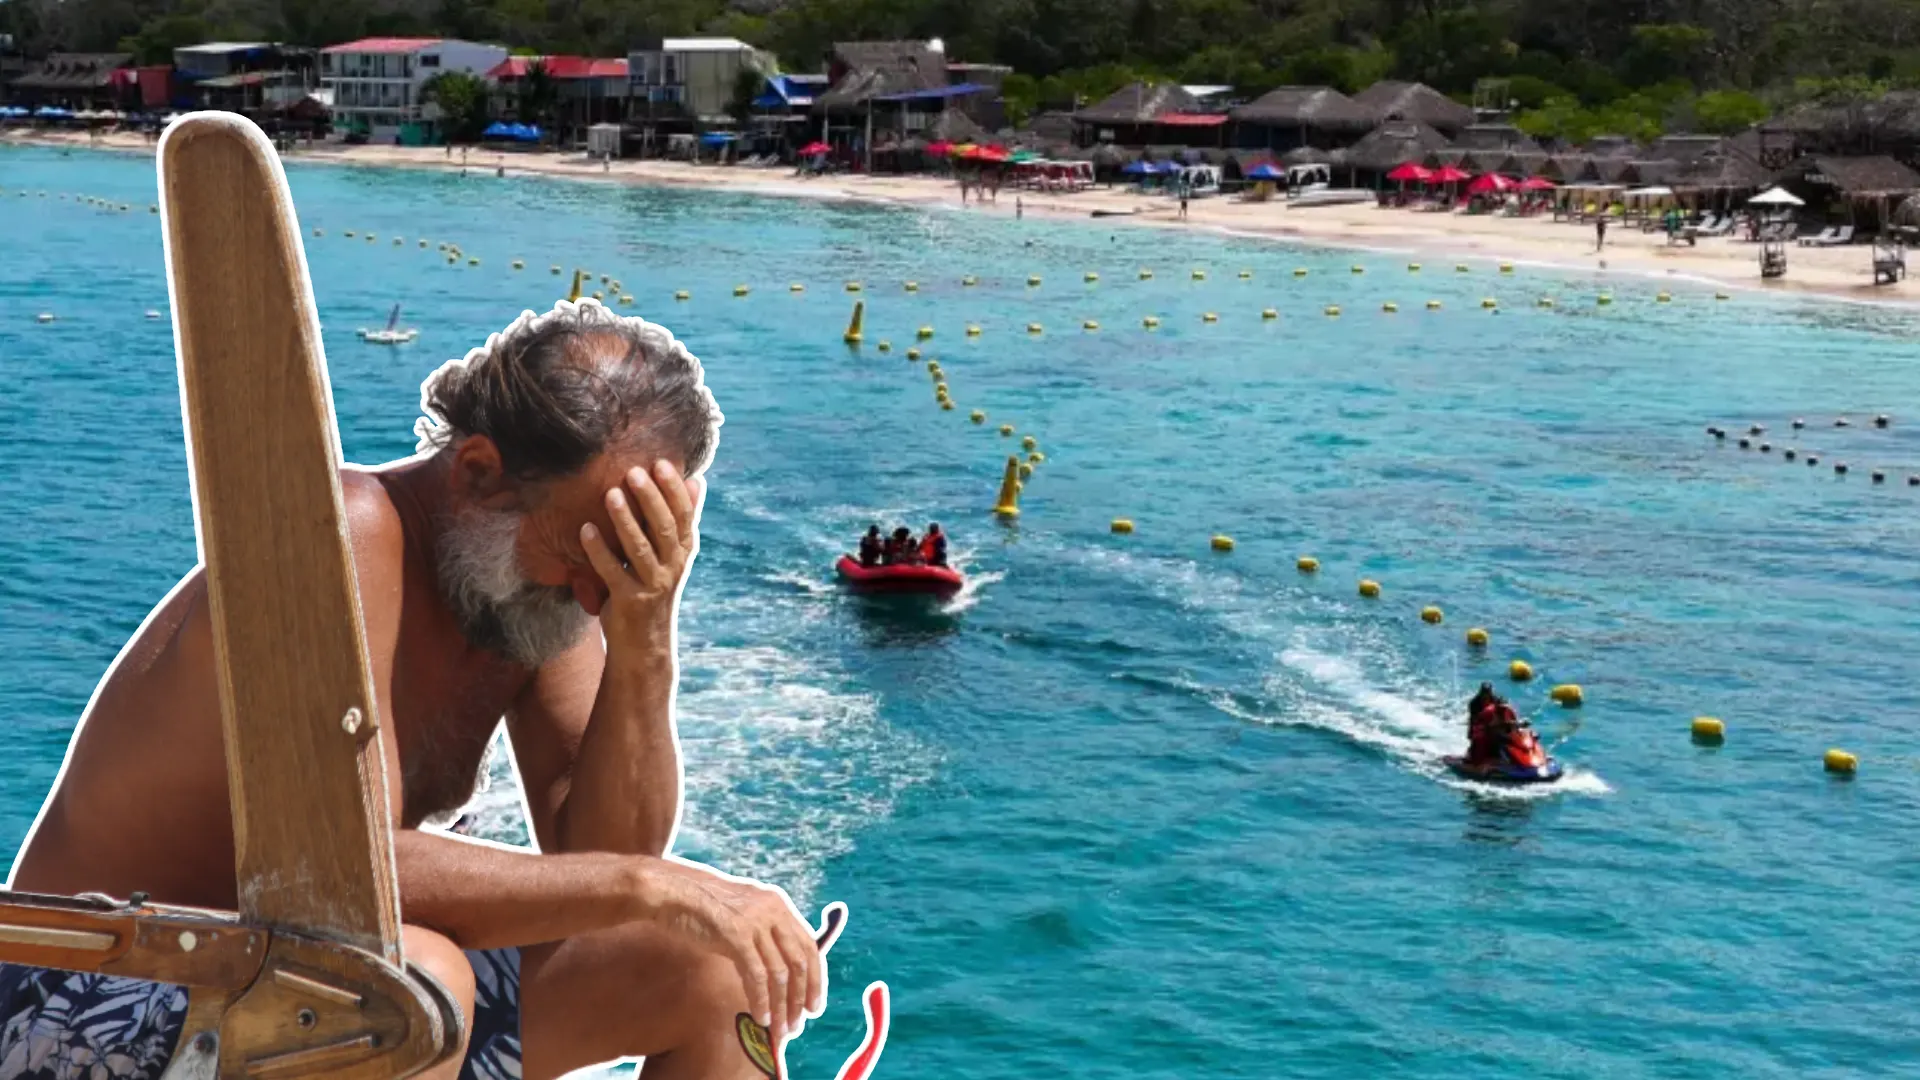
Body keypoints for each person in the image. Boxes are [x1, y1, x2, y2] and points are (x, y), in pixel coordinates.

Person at [1, 299, 829, 1080]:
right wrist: (659, 888)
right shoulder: (340, 538)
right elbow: (336, 874)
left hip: (304, 982)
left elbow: (605, 856)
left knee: (720, 967)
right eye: (581, 556)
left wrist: (644, 638)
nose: (591, 596)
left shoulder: (537, 590)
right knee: (410, 983)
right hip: (84, 992)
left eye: (618, 558)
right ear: (479, 472)